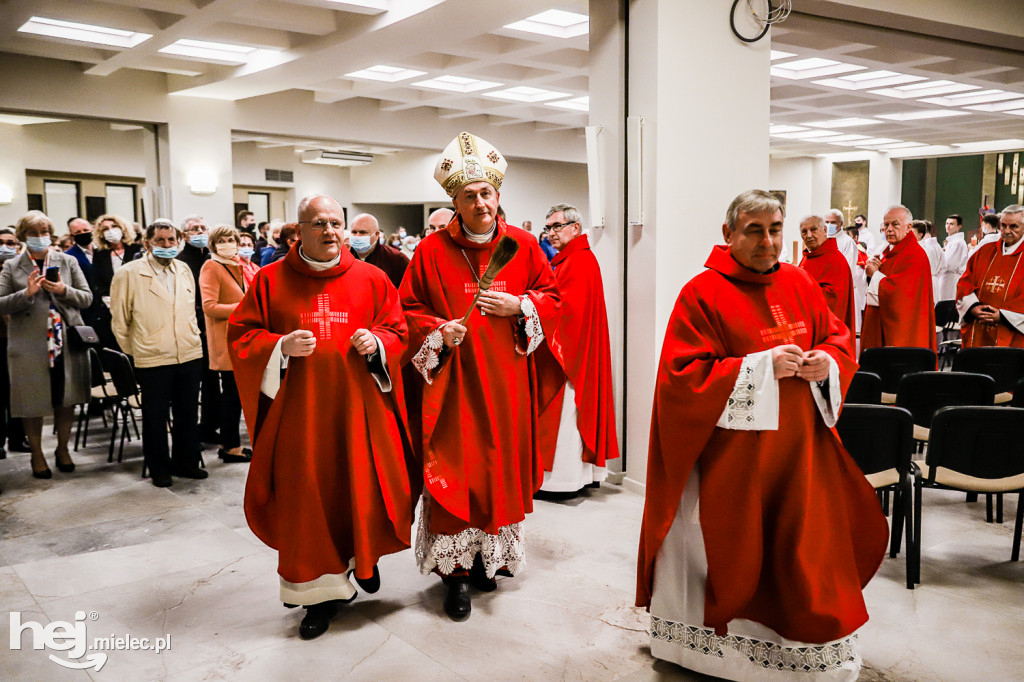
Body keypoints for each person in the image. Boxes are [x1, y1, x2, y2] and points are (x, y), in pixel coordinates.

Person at [636, 190, 888, 681]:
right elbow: (681, 376)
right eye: (755, 230)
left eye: (776, 229)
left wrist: (827, 361)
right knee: (741, 553)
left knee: (802, 555)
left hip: (799, 450)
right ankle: (715, 652)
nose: (768, 241)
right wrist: (760, 368)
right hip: (733, 460)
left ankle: (795, 652)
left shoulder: (799, 280)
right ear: (729, 233)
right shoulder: (701, 292)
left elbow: (836, 335)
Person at [228, 194, 414, 640]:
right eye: (318, 224)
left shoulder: (372, 278)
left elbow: (398, 329)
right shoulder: (270, 281)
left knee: (359, 489)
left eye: (336, 223)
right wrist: (279, 347)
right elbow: (242, 336)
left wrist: (379, 343)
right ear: (300, 231)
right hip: (301, 417)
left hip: (358, 412)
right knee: (308, 499)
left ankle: (361, 561)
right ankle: (319, 595)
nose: (329, 231)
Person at [400, 131, 563, 621]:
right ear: (454, 202)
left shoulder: (525, 247)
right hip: (454, 389)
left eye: (486, 193)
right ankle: (455, 578)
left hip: (508, 386)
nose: (479, 202)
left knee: (496, 471)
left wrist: (523, 305)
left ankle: (488, 562)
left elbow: (554, 300)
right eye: (468, 196)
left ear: (498, 197)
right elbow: (407, 310)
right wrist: (436, 329)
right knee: (456, 470)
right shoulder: (430, 252)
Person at [111, 220, 206, 488]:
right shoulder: (129, 273)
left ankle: (186, 463)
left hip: (188, 353)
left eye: (171, 240)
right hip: (152, 357)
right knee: (155, 416)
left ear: (179, 242)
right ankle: (159, 467)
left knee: (188, 414)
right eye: (160, 241)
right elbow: (120, 322)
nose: (166, 245)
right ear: (147, 244)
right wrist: (137, 350)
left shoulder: (184, 269)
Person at [0, 211, 92, 479]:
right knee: (32, 400)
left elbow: (86, 298)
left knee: (67, 397)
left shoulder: (68, 261)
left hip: (66, 339)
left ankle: (63, 449)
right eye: (33, 233)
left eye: (44, 232)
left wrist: (63, 290)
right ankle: (37, 454)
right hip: (29, 342)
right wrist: (26, 293)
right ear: (22, 237)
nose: (40, 238)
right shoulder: (12, 267)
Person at [536, 203, 619, 498]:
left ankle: (561, 481)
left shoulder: (579, 261)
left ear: (575, 227)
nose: (551, 233)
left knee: (566, 414)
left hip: (569, 357)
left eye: (557, 226)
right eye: (548, 228)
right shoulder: (568, 259)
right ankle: (576, 477)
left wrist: (532, 307)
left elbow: (568, 312)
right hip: (575, 351)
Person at [199, 226, 252, 464]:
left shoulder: (240, 265)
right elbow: (209, 307)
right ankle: (230, 446)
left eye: (232, 239)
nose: (228, 243)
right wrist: (245, 310)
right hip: (226, 339)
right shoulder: (211, 266)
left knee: (239, 395)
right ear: (213, 244)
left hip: (246, 338)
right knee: (232, 396)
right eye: (222, 240)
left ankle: (233, 444)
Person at [861, 206, 937, 356]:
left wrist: (874, 274)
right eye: (886, 225)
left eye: (895, 224)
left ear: (909, 227)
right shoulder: (889, 251)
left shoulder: (913, 254)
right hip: (882, 324)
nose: (888, 229)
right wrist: (872, 273)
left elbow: (898, 294)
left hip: (903, 332)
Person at [178, 215, 221, 445]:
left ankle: (210, 425)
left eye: (204, 227)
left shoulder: (212, 257)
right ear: (185, 235)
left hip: (213, 325)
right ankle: (194, 428)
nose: (201, 231)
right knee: (199, 380)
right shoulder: (182, 260)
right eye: (195, 229)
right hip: (195, 326)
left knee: (213, 380)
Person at [957, 204, 1024, 348]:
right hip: (978, 330)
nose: (1007, 231)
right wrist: (973, 307)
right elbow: (965, 282)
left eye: (1014, 227)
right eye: (1003, 226)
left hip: (1014, 338)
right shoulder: (985, 251)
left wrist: (1003, 316)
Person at [798, 214, 857, 352]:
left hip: (825, 335)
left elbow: (834, 301)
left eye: (813, 230)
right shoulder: (808, 257)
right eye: (804, 232)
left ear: (825, 230)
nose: (809, 235)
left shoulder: (835, 260)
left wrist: (800, 290)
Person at [0, 228, 28, 458]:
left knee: (17, 392)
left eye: (11, 243)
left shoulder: (20, 272)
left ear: (18, 248)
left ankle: (18, 438)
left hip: (20, 338)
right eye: (1, 243)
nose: (6, 247)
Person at [349, 213, 408, 288]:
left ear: (376, 235)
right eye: (354, 232)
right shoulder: (343, 258)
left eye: (363, 232)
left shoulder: (396, 259)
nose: (357, 236)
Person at [938, 214, 968, 302]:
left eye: (951, 224)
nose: (948, 226)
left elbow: (949, 264)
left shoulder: (958, 243)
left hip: (951, 278)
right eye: (946, 223)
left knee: (948, 305)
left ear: (959, 226)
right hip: (945, 277)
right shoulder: (951, 241)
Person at [912, 220, 943, 301]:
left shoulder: (922, 248)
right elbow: (943, 266)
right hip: (934, 280)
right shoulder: (935, 246)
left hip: (924, 282)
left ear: (921, 234)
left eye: (912, 233)